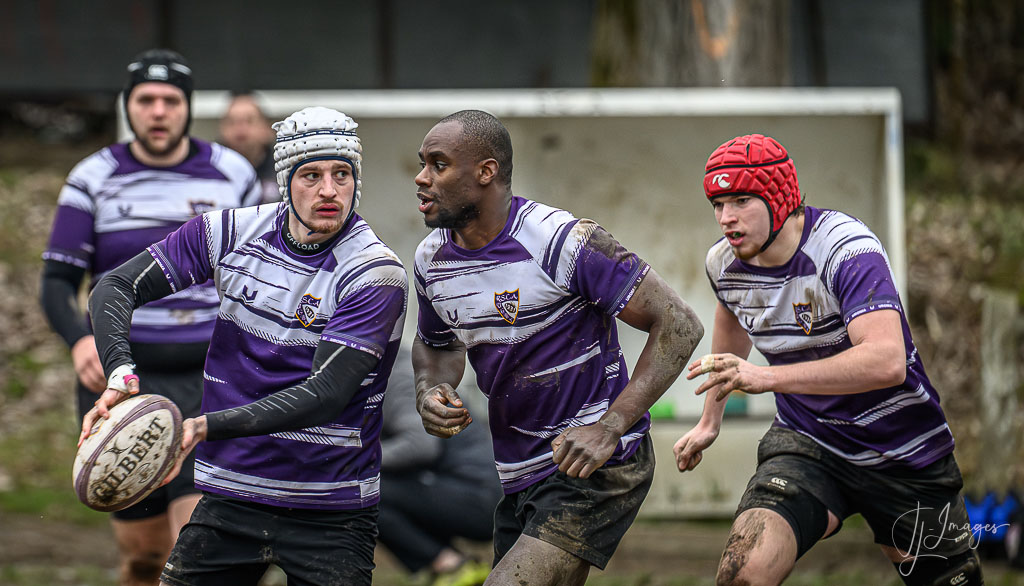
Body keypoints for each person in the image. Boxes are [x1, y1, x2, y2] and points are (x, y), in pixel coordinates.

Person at [80, 106, 408, 586]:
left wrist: (202, 426)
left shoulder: (374, 273)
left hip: (331, 508)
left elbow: (326, 395)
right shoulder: (229, 232)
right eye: (311, 175)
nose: (329, 190)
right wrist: (120, 374)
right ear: (285, 180)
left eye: (342, 174)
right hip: (231, 496)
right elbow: (114, 287)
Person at [673, 134, 982, 586]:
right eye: (717, 204)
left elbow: (887, 361)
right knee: (742, 575)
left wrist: (767, 378)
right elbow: (731, 326)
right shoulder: (724, 264)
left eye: (741, 200)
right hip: (807, 441)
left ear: (779, 200)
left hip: (902, 449)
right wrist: (709, 420)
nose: (726, 218)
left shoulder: (845, 248)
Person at [410, 110, 704, 586]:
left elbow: (679, 324)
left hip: (598, 465)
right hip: (519, 473)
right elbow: (436, 346)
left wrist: (609, 428)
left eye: (438, 165)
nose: (421, 178)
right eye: (422, 163)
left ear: (485, 172)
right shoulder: (431, 261)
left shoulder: (563, 241)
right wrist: (430, 389)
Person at [40, 48, 261, 585]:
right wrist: (80, 341)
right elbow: (56, 282)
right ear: (128, 106)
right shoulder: (93, 176)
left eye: (170, 100)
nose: (158, 111)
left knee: (196, 551)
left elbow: (259, 274)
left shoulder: (231, 173)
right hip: (122, 381)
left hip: (209, 379)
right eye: (145, 100)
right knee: (144, 557)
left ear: (188, 107)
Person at [377, 347, 500, 585]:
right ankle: (452, 565)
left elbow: (421, 445)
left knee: (368, 491)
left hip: (478, 498)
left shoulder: (398, 377)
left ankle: (450, 567)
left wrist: (358, 460)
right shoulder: (397, 370)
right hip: (458, 488)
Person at [218, 91, 279, 204]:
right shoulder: (208, 171)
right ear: (222, 129)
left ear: (267, 129)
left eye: (249, 121)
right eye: (232, 122)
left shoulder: (285, 170)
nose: (240, 131)